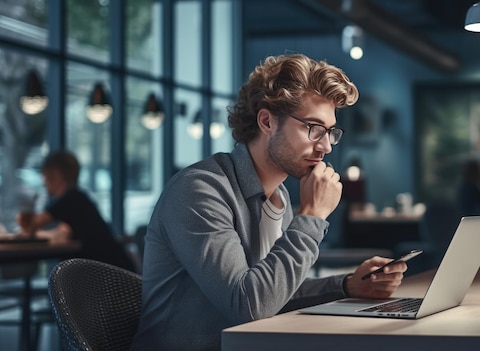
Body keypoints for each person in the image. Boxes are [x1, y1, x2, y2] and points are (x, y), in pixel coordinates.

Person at [130, 54, 407, 350]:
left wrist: (348, 285)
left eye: (329, 132)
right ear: (267, 121)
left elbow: (274, 291)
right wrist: (312, 216)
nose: (325, 146)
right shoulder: (200, 190)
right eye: (313, 128)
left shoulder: (279, 196)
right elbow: (249, 305)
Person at [16, 150, 135, 271]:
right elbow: (62, 233)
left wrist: (26, 212)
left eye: (45, 177)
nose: (44, 183)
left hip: (111, 280)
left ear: (56, 176)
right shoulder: (79, 199)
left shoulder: (69, 200)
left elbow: (30, 226)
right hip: (117, 273)